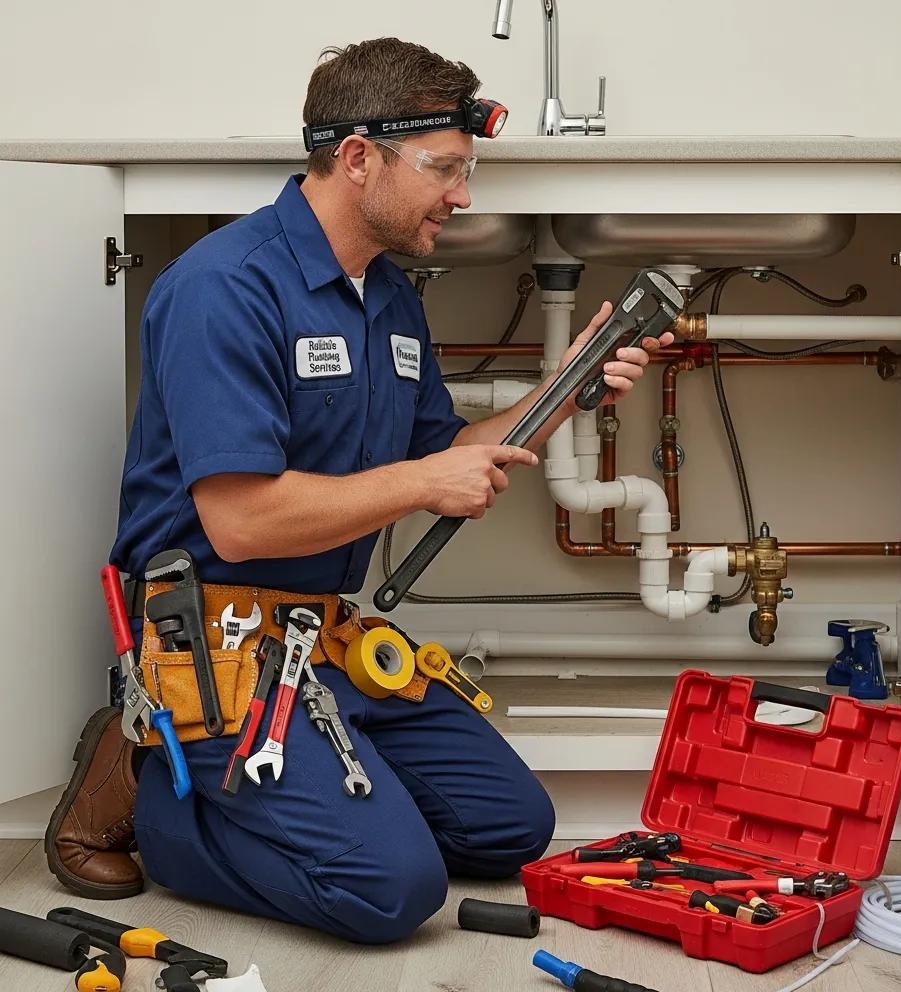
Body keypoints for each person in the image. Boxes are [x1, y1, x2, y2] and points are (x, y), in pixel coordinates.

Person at [45, 37, 673, 940]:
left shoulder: (388, 298)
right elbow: (243, 521)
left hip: (324, 647)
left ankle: (322, 785)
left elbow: (449, 450)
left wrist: (562, 388)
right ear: (356, 157)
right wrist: (423, 479)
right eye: (446, 170)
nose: (463, 196)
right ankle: (159, 805)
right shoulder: (225, 288)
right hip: (215, 646)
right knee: (392, 892)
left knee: (513, 828)